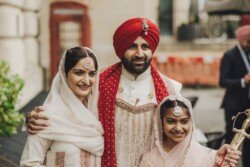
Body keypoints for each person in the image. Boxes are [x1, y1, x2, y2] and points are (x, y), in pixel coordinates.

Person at [25, 18, 182, 167]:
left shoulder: (171, 89)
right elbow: (66, 108)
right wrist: (32, 118)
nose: (139, 54)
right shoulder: (100, 85)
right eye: (132, 46)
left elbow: (182, 135)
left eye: (145, 47)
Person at [20, 47, 104, 167]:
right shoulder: (45, 117)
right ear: (64, 75)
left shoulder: (97, 114)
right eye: (79, 73)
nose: (86, 80)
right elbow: (28, 164)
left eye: (91, 74)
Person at [140, 95, 241, 167]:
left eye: (184, 122)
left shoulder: (205, 156)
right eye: (171, 121)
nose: (178, 128)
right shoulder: (150, 160)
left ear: (191, 123)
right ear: (161, 123)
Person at [219, 25, 250, 167]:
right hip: (234, 107)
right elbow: (223, 81)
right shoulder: (230, 55)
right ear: (243, 40)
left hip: (248, 106)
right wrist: (243, 81)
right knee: (232, 141)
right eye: (249, 41)